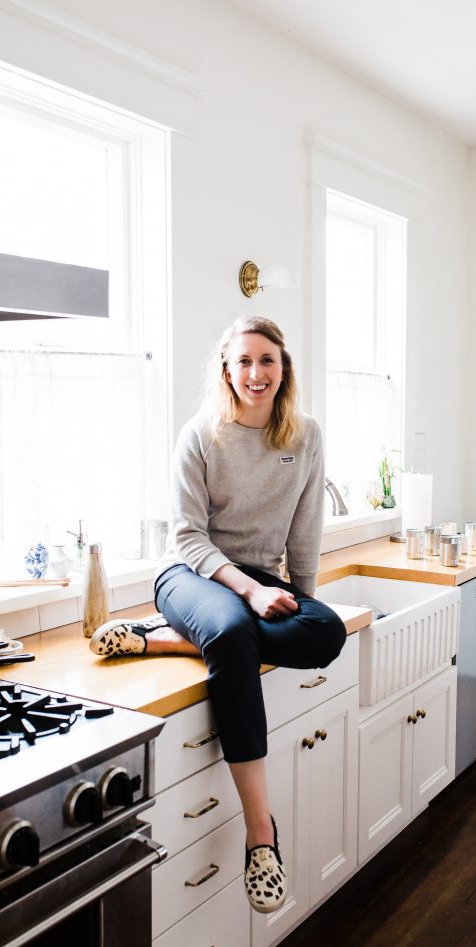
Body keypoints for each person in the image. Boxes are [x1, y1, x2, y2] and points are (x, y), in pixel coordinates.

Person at [91, 315, 346, 913]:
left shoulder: (304, 435)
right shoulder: (201, 435)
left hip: (258, 578)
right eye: (244, 362)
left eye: (268, 361)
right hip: (190, 575)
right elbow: (187, 538)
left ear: (284, 370)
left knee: (328, 631)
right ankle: (262, 833)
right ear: (227, 370)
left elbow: (305, 535)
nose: (256, 374)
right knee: (230, 632)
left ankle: (169, 643)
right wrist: (252, 595)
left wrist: (300, 606)